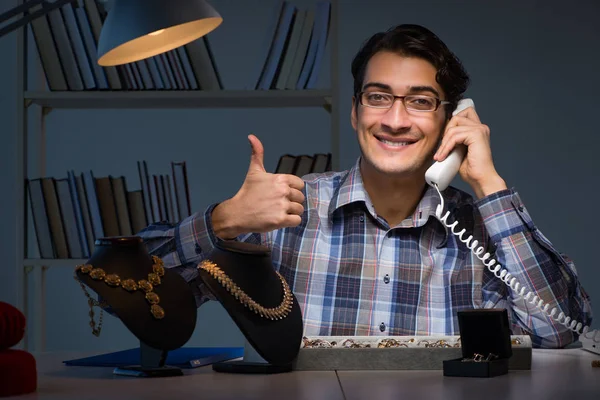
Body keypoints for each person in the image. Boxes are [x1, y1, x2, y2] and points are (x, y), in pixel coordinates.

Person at [139, 24, 592, 348]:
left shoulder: (482, 228)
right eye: (378, 97)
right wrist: (224, 221)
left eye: (419, 101)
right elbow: (135, 296)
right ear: (356, 112)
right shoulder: (285, 209)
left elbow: (560, 332)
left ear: (449, 121)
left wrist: (490, 185)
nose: (395, 121)